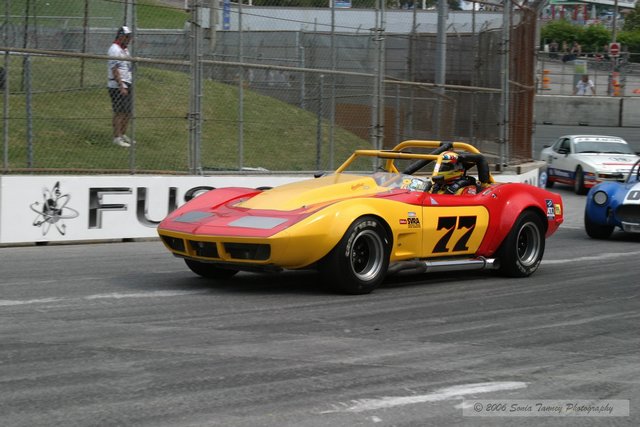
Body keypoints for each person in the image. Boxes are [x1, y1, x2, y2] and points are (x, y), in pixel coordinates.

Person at [107, 26, 134, 148]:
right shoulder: (114, 50)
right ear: (121, 36)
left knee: (128, 111)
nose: (129, 39)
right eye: (127, 37)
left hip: (127, 82)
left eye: (129, 37)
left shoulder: (125, 50)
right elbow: (115, 69)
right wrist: (121, 86)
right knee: (119, 112)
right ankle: (116, 137)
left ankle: (123, 134)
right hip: (117, 85)